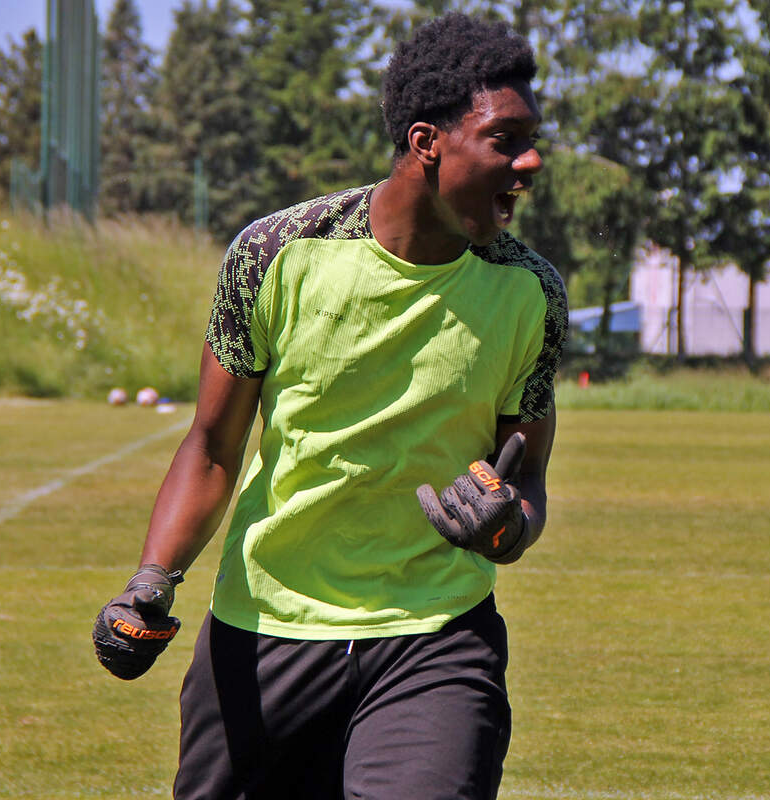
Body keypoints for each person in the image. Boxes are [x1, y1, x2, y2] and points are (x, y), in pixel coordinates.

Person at [91, 13, 567, 800]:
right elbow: (212, 446)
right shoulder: (277, 254)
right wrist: (151, 580)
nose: (532, 160)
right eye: (505, 139)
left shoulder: (532, 292)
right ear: (427, 142)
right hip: (263, 633)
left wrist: (507, 523)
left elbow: (529, 479)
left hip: (436, 640)